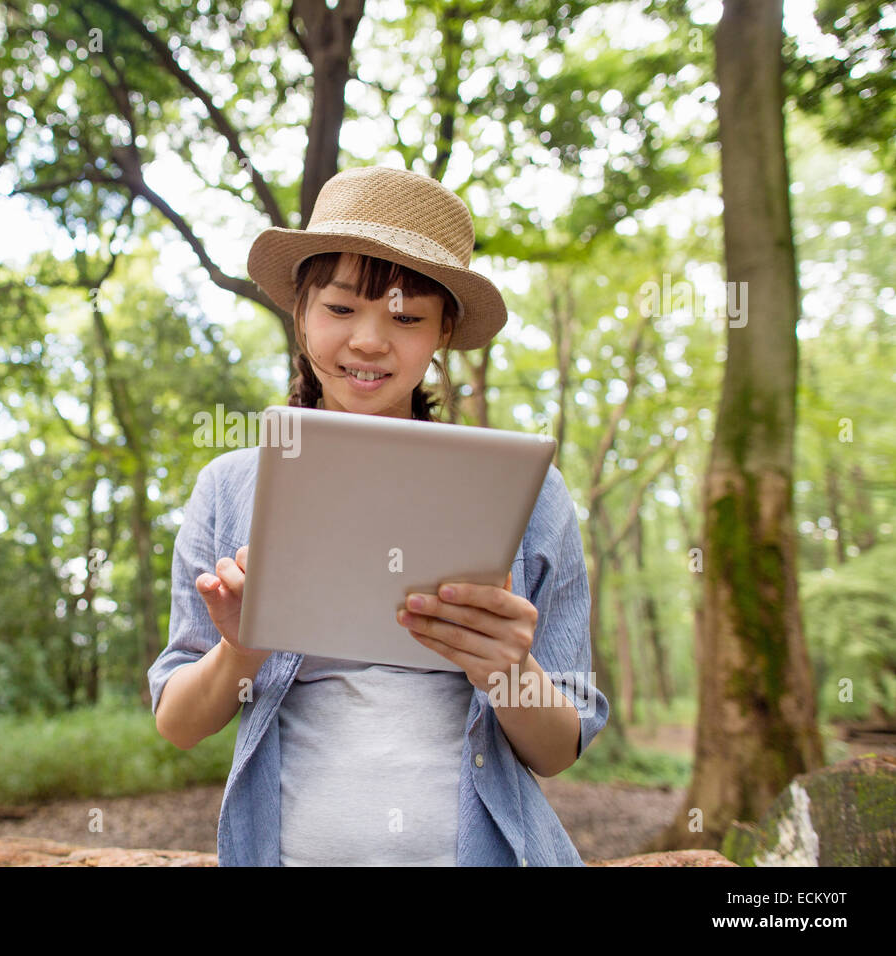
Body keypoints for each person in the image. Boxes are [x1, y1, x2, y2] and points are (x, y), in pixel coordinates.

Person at [148, 166, 609, 866]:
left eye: (406, 316)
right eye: (339, 309)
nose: (368, 340)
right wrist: (244, 647)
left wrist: (505, 671)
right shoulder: (228, 488)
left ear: (442, 333)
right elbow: (179, 724)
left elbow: (556, 752)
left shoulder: (530, 495)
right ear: (300, 313)